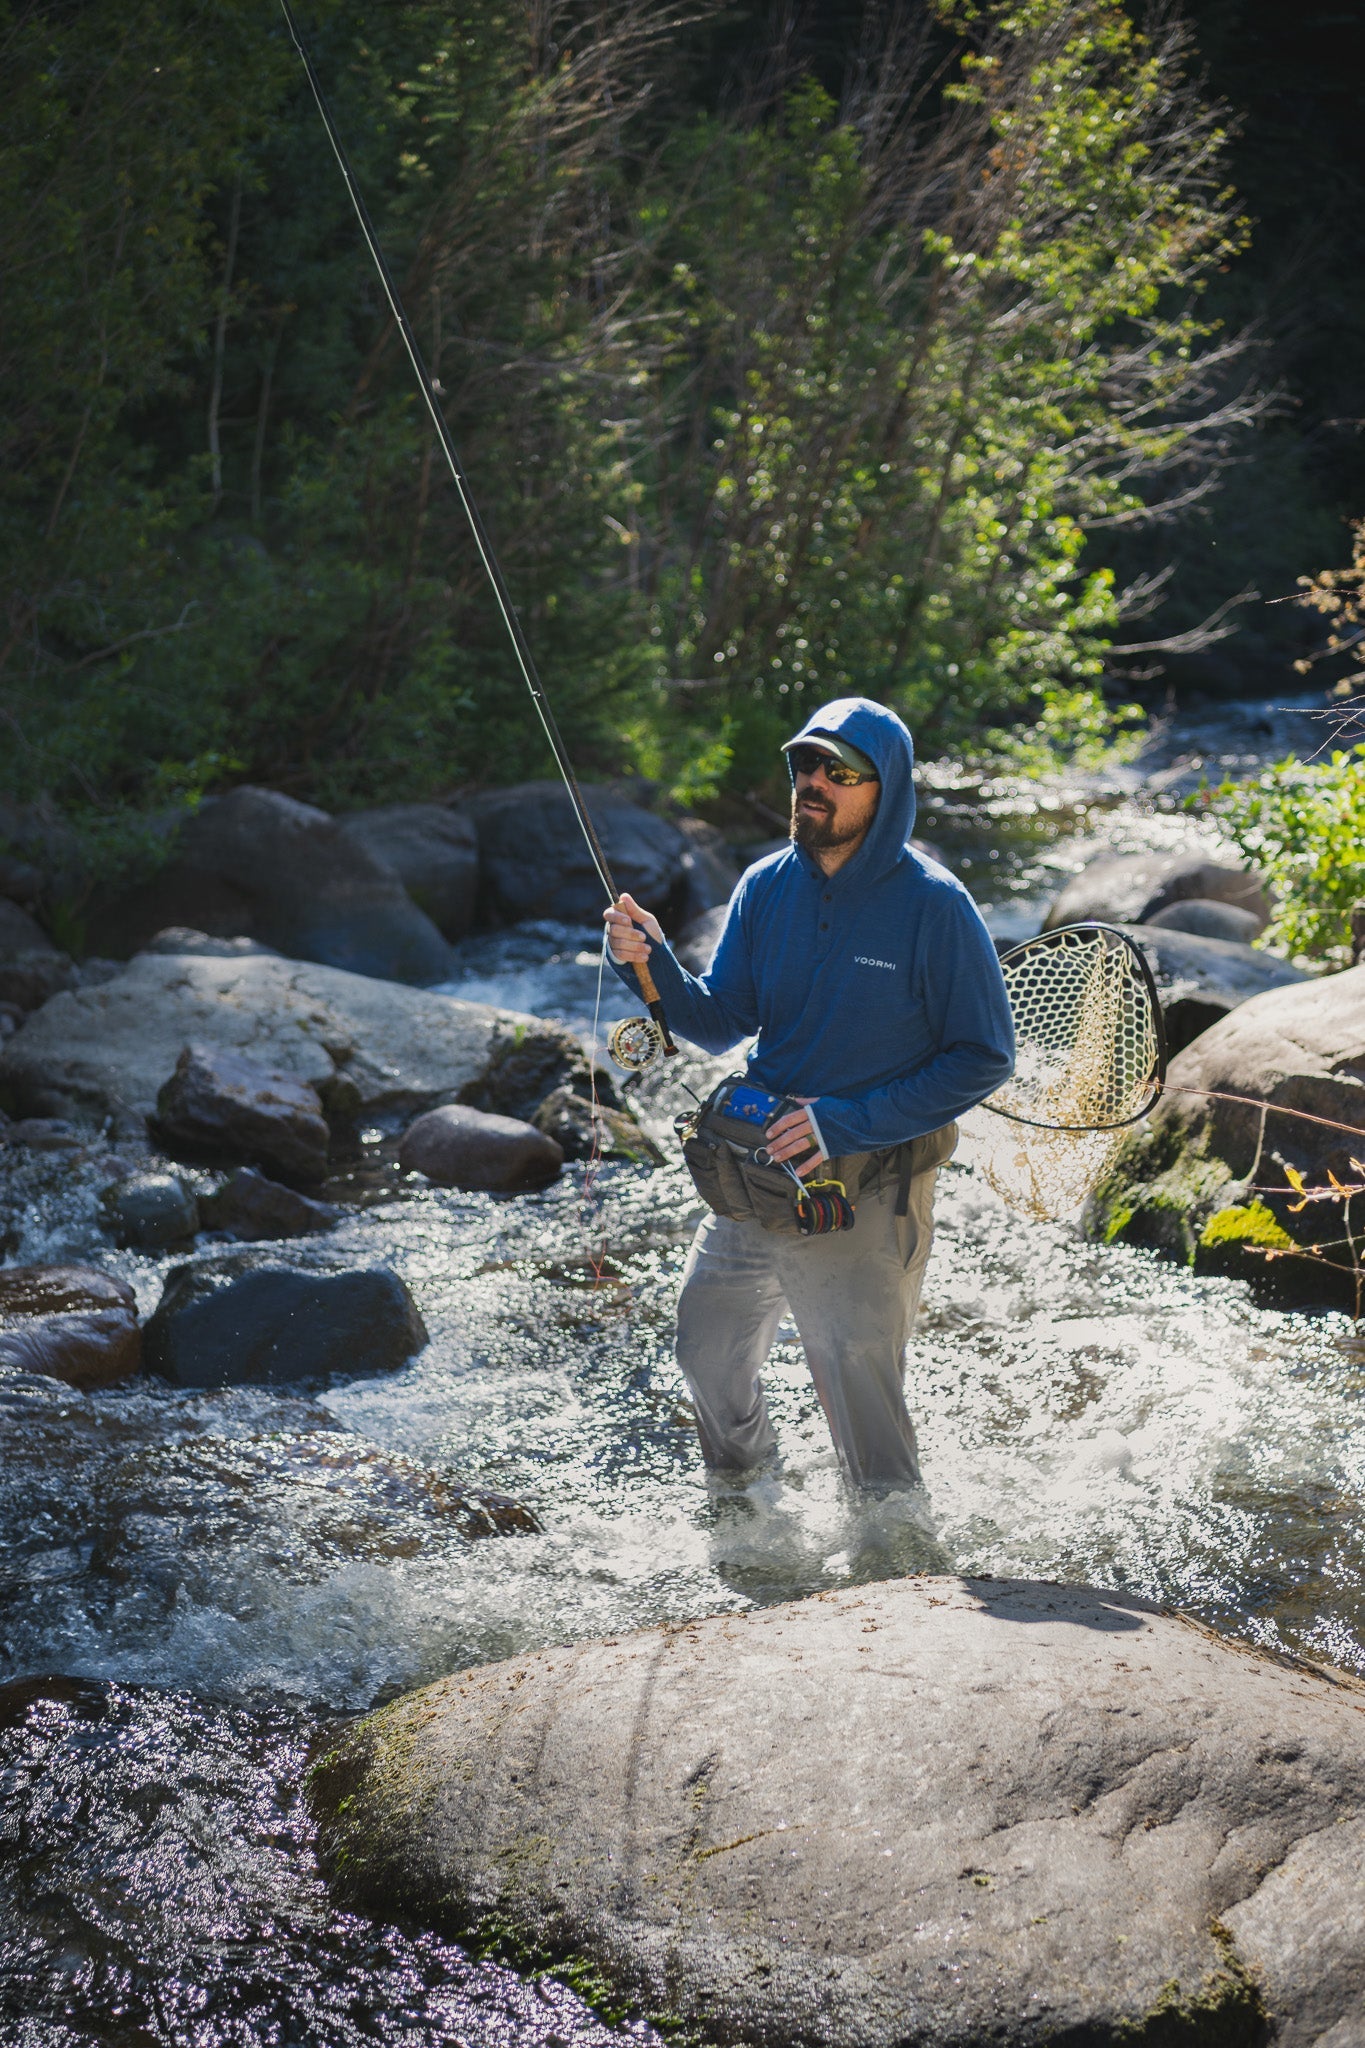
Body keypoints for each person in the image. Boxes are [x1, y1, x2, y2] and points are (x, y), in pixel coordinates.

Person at [605, 695, 1014, 1489]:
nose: (813, 782)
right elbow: (723, 1020)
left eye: (840, 771)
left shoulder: (935, 906)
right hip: (753, 1177)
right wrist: (648, 962)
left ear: (884, 789)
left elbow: (983, 1057)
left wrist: (843, 1122)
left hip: (868, 1185)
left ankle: (894, 1564)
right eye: (803, 765)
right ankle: (748, 1505)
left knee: (860, 1403)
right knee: (705, 1350)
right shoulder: (764, 884)